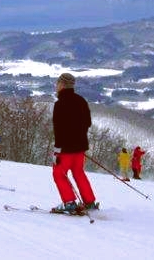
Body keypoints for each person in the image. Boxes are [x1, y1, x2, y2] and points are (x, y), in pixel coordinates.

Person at [51, 72, 98, 214]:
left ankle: (69, 202)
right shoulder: (81, 100)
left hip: (65, 148)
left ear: (62, 84)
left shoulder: (60, 104)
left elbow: (58, 129)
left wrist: (57, 150)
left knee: (59, 174)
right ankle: (89, 202)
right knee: (78, 172)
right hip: (80, 146)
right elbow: (88, 123)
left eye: (57, 83)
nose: (56, 85)